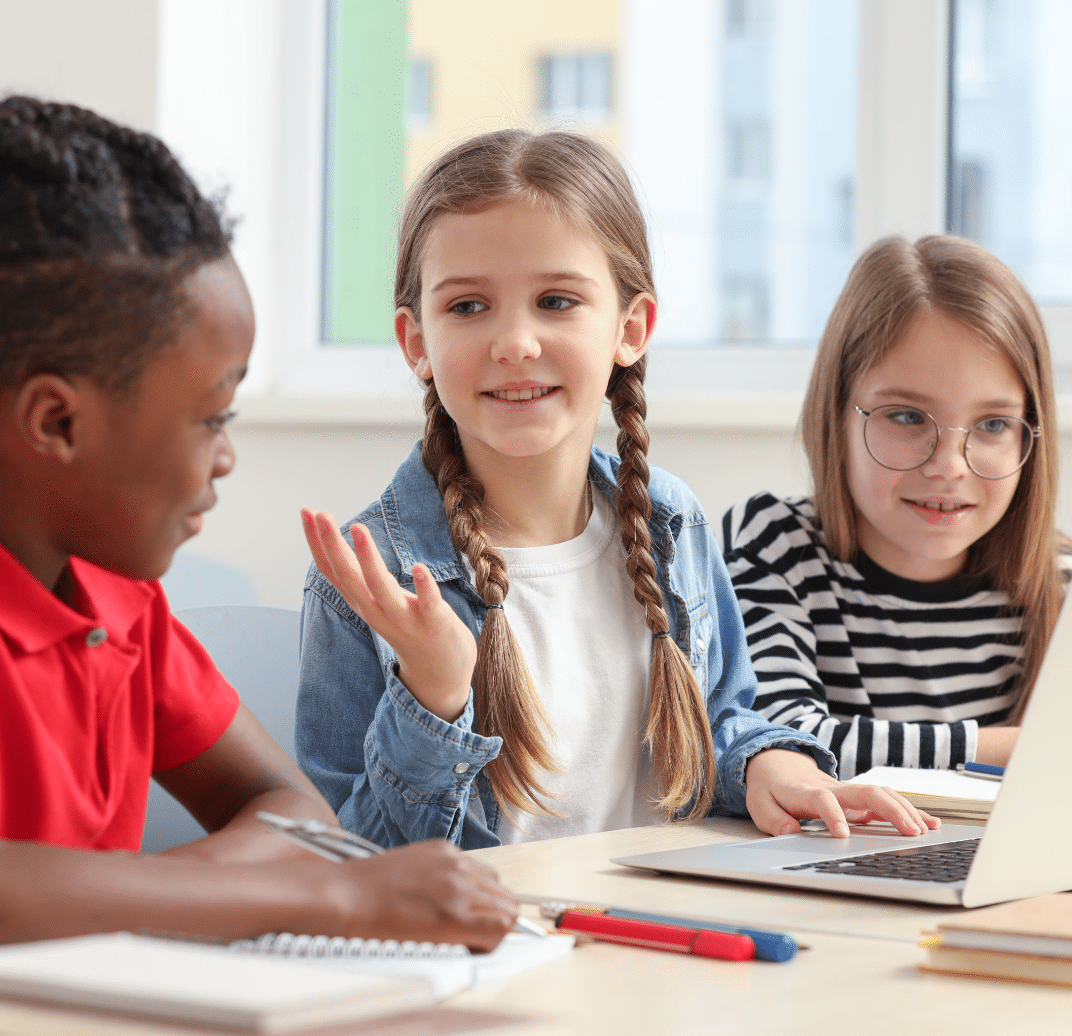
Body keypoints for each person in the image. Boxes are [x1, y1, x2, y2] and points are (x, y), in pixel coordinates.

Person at [0, 97, 517, 970]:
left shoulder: (113, 588)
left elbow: (292, 815)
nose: (225, 458)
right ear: (57, 423)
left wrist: (104, 908)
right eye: (210, 417)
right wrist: (327, 898)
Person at [295, 129, 937, 850]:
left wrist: (770, 763)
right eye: (468, 307)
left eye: (557, 301)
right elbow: (349, 864)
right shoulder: (367, 579)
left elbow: (719, 726)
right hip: (486, 952)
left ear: (631, 328)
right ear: (417, 344)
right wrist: (434, 695)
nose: (514, 342)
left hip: (653, 934)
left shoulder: (673, 523)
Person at [721, 235, 1072, 781]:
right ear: (837, 410)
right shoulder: (773, 547)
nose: (950, 466)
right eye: (907, 417)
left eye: (992, 425)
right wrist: (1024, 748)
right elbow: (782, 738)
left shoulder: (1068, 583)